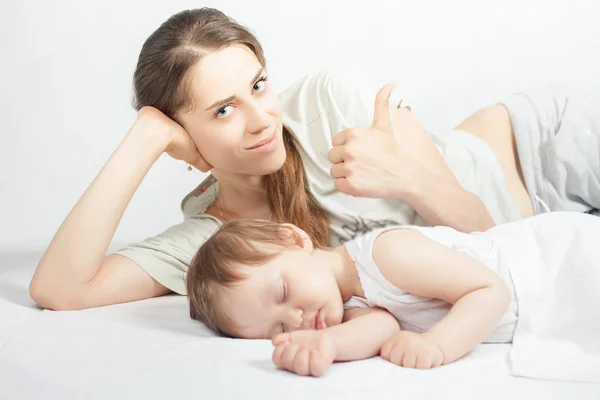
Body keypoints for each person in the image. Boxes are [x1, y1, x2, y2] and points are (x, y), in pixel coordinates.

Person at [29, 7, 600, 310]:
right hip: (553, 242)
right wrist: (145, 137)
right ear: (185, 137)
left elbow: (488, 234)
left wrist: (405, 177)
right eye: (223, 111)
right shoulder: (217, 245)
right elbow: (61, 288)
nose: (260, 120)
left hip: (537, 154)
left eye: (258, 85)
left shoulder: (334, 100)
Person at [186, 212, 600, 377]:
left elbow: (490, 291)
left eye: (282, 292)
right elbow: (379, 329)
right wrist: (323, 343)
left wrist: (436, 344)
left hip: (558, 263)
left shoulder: (388, 254)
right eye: (276, 327)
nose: (294, 317)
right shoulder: (349, 306)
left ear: (293, 239)